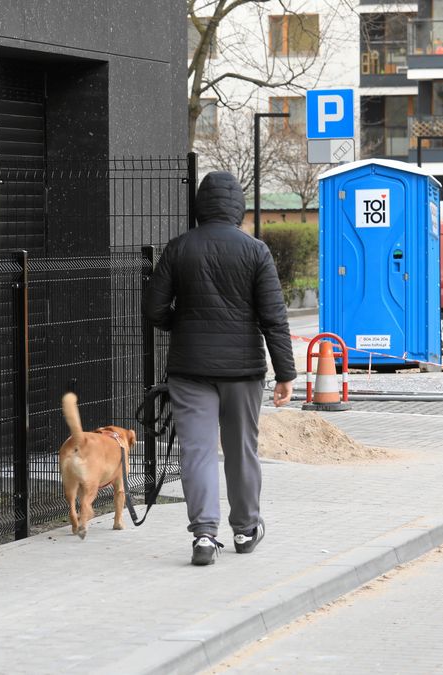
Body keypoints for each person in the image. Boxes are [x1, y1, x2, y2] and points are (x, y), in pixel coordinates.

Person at [144, 171, 296, 566]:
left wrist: (185, 323)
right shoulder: (256, 250)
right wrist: (286, 374)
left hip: (189, 368)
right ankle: (245, 528)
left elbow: (154, 310)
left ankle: (204, 537)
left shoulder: (178, 248)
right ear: (237, 207)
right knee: (241, 450)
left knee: (196, 452)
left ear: (199, 206)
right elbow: (274, 318)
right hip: (243, 371)